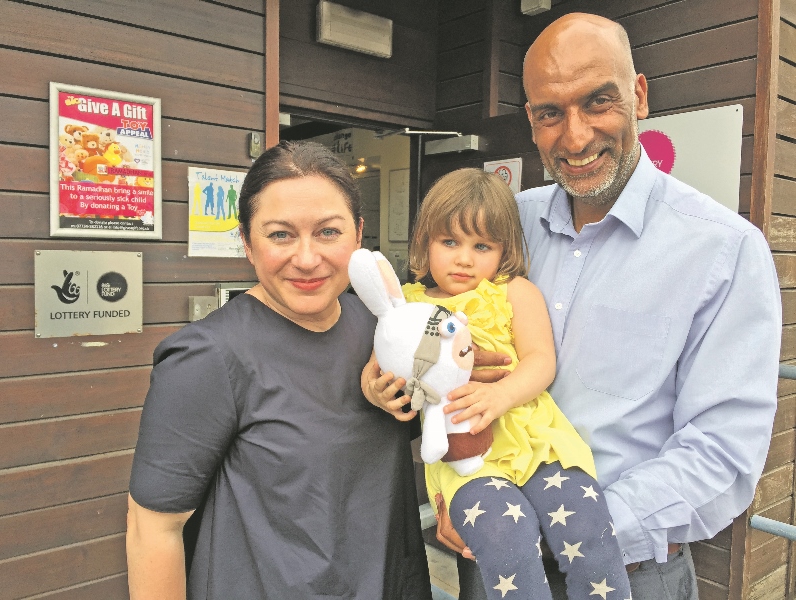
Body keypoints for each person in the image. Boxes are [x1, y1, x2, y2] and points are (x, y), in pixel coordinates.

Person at [433, 12, 782, 600]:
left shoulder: (722, 249)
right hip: (493, 558)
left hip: (631, 572)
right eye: (551, 113)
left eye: (598, 102)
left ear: (639, 96)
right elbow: (437, 344)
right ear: (532, 120)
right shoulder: (506, 226)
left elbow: (722, 452)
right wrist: (455, 487)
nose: (574, 137)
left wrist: (570, 529)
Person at [126, 141, 432, 600]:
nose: (307, 258)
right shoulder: (209, 356)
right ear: (247, 243)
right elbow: (152, 529)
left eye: (328, 232)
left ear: (359, 235)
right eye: (281, 235)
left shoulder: (381, 328)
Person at [366, 168, 631, 600]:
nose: (464, 258)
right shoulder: (408, 307)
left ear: (503, 250)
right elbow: (379, 369)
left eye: (481, 246)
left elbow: (541, 359)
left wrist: (501, 393)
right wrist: (377, 392)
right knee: (503, 541)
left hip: (536, 439)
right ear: (424, 242)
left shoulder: (514, 292)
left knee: (587, 527)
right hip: (466, 456)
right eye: (449, 242)